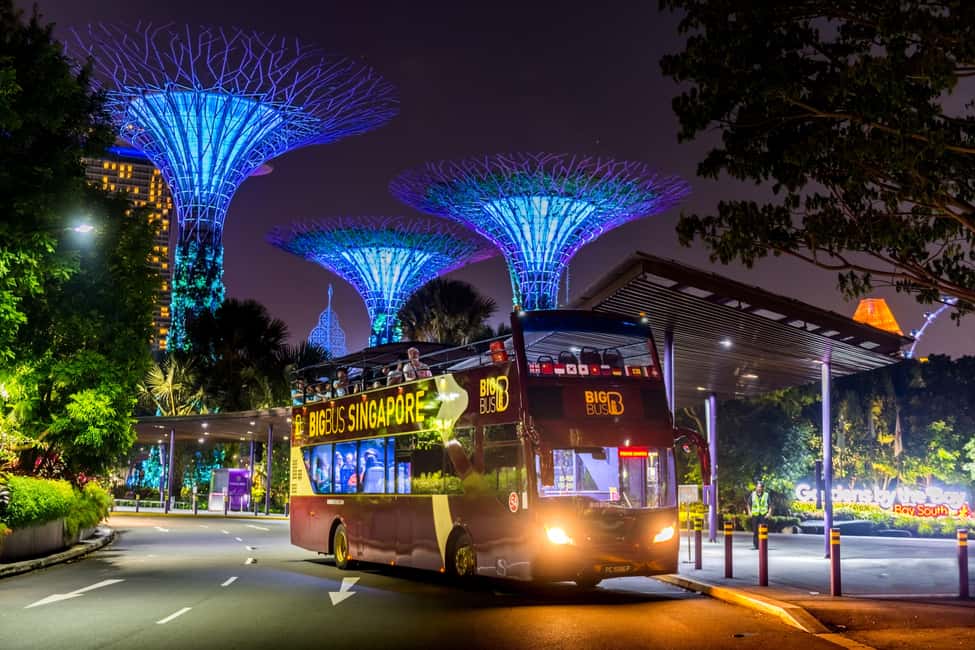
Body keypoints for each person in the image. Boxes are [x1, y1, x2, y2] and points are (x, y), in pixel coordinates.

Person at [748, 480, 771, 549]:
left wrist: (769, 513)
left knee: (764, 531)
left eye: (760, 487)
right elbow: (748, 504)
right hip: (755, 515)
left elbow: (770, 505)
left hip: (763, 515)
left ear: (763, 488)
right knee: (755, 531)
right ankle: (756, 545)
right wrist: (749, 512)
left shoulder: (766, 495)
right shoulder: (753, 494)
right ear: (756, 487)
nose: (759, 488)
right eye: (758, 487)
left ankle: (763, 545)